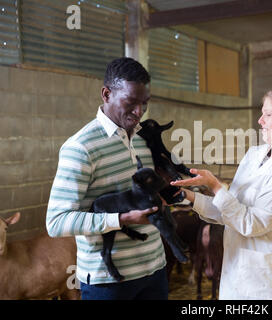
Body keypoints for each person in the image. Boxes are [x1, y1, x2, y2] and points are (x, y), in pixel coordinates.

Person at [171, 85, 272, 300]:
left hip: (270, 283)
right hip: (237, 274)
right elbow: (231, 212)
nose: (260, 120)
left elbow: (251, 223)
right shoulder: (254, 155)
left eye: (267, 114)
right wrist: (188, 196)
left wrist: (216, 186)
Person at [46, 57, 168, 300]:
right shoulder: (81, 148)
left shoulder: (144, 139)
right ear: (106, 94)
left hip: (155, 269)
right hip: (109, 282)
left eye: (144, 103)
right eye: (131, 102)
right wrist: (121, 219)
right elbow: (56, 222)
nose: (138, 112)